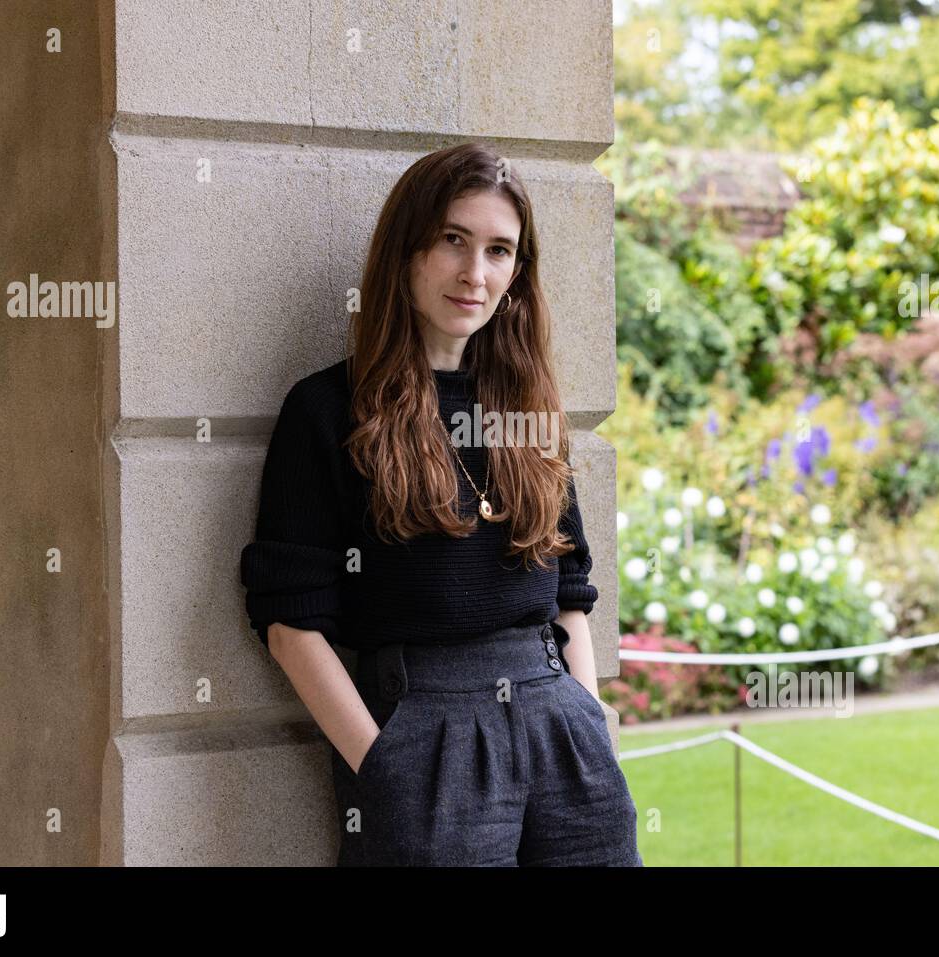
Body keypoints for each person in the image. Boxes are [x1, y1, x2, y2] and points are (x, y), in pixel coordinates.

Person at [240, 142, 643, 867]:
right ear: (406, 251)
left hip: (560, 723)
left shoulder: (527, 410)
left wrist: (588, 719)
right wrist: (383, 766)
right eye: (454, 240)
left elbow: (570, 590)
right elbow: (290, 623)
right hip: (425, 730)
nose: (475, 273)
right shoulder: (329, 410)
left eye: (499, 250)